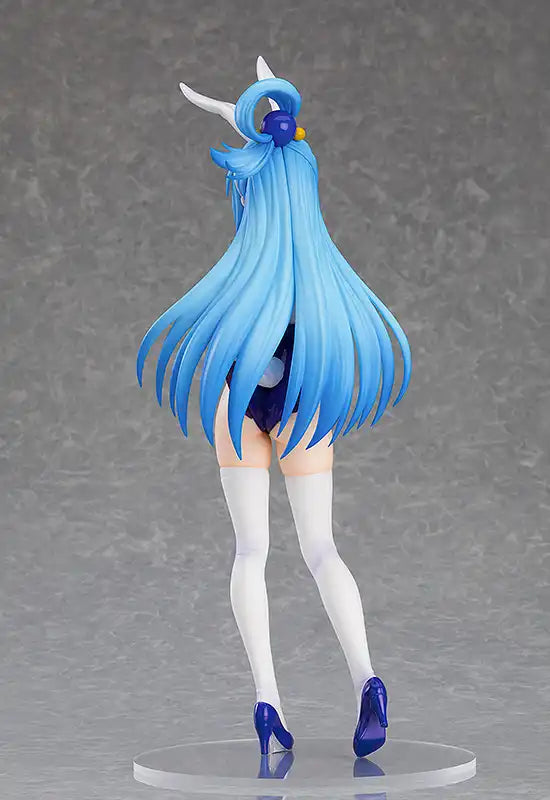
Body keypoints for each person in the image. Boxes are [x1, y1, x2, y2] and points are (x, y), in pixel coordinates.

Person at [137, 56, 411, 757]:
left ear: (251, 189)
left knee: (250, 552)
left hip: (240, 391)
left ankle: (267, 702)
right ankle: (368, 679)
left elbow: (261, 167)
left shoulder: (244, 280)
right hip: (302, 389)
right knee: (321, 549)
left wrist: (242, 130)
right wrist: (263, 130)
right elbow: (285, 158)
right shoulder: (317, 280)